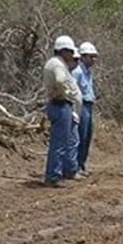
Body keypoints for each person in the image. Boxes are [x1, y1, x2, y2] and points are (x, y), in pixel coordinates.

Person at [42, 35, 82, 186]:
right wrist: (67, 93)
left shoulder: (51, 63)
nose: (72, 55)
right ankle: (54, 176)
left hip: (55, 104)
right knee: (60, 143)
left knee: (58, 142)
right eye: (70, 51)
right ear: (63, 50)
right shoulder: (58, 65)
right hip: (60, 104)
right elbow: (59, 80)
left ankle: (55, 174)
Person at [73, 41, 99, 177]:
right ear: (83, 56)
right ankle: (75, 166)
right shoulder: (77, 72)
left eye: (95, 56)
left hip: (89, 106)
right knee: (80, 136)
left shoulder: (88, 72)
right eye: (91, 56)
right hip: (81, 105)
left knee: (87, 136)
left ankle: (81, 165)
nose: (94, 59)